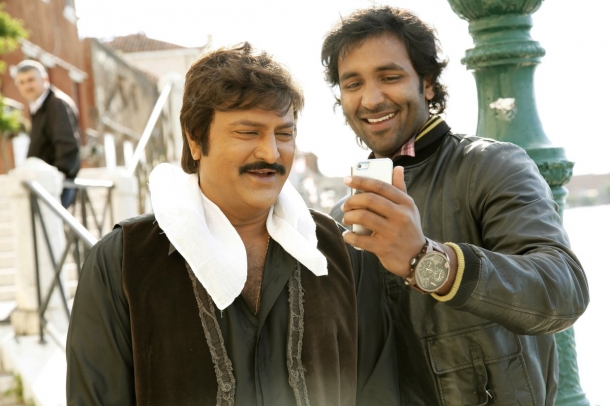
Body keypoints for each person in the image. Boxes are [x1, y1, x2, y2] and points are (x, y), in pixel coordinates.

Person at [66, 43, 400, 406]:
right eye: (248, 132)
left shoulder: (341, 253)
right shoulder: (122, 263)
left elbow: (378, 391)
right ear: (195, 140)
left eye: (284, 134)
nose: (270, 153)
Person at [321, 6, 588, 405]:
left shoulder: (491, 165)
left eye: (390, 77)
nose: (371, 99)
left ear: (427, 83)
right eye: (353, 83)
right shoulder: (342, 218)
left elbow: (563, 291)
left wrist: (427, 260)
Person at [14, 60, 81, 208]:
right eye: (22, 82)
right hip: (43, 183)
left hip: (55, 185)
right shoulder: (38, 106)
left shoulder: (56, 103)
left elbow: (67, 144)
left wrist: (59, 175)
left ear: (44, 79)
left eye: (31, 80)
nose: (27, 86)